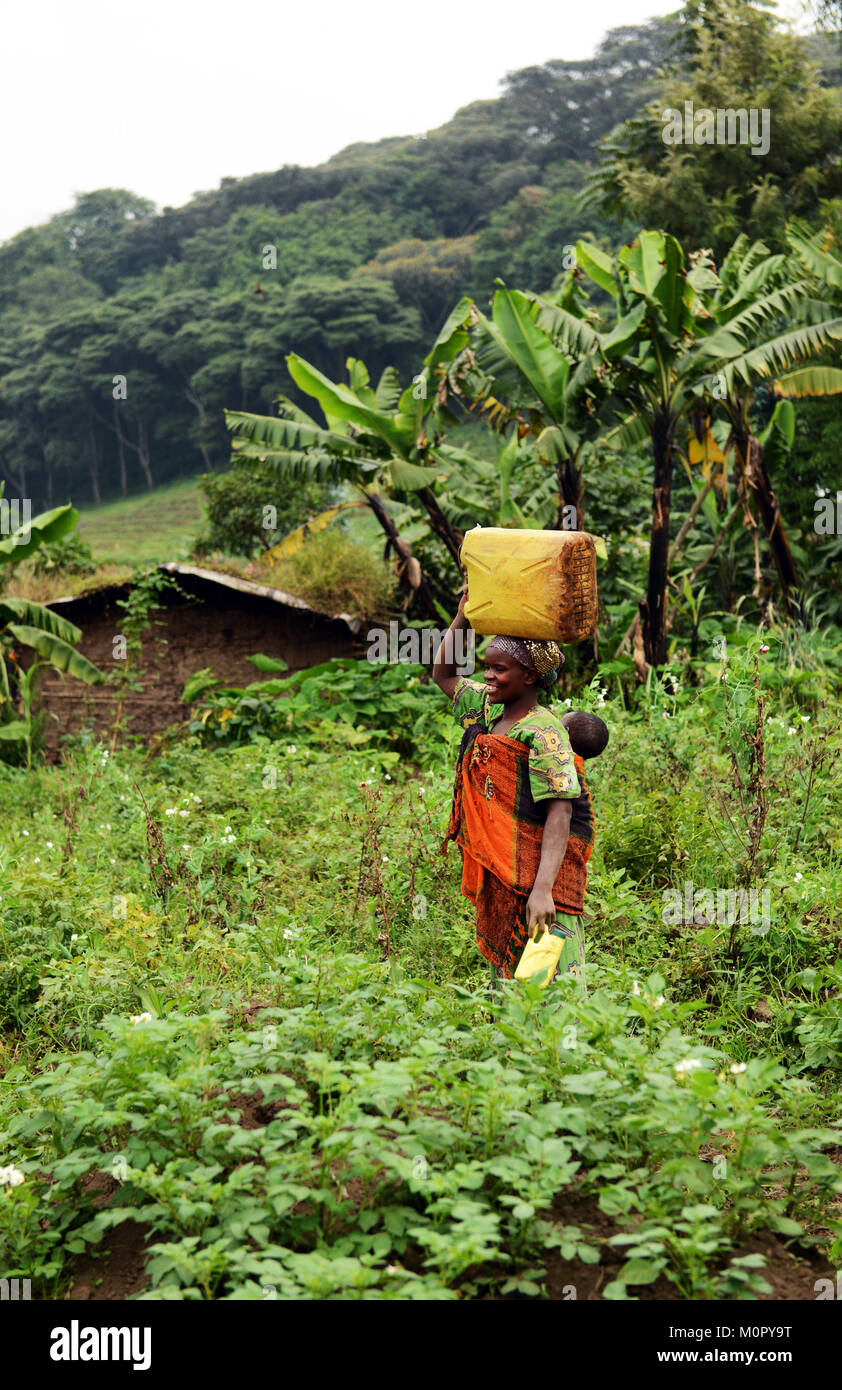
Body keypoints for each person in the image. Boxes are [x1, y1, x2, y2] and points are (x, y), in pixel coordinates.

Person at [433, 592, 599, 985]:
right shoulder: (487, 711)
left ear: (529, 677)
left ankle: (554, 1047)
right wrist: (462, 618)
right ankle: (509, 1044)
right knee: (508, 989)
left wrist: (542, 891)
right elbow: (442, 675)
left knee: (546, 990)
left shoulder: (544, 733)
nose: (488, 676)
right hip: (504, 874)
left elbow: (560, 810)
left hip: (543, 881)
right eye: (486, 667)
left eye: (499, 669)